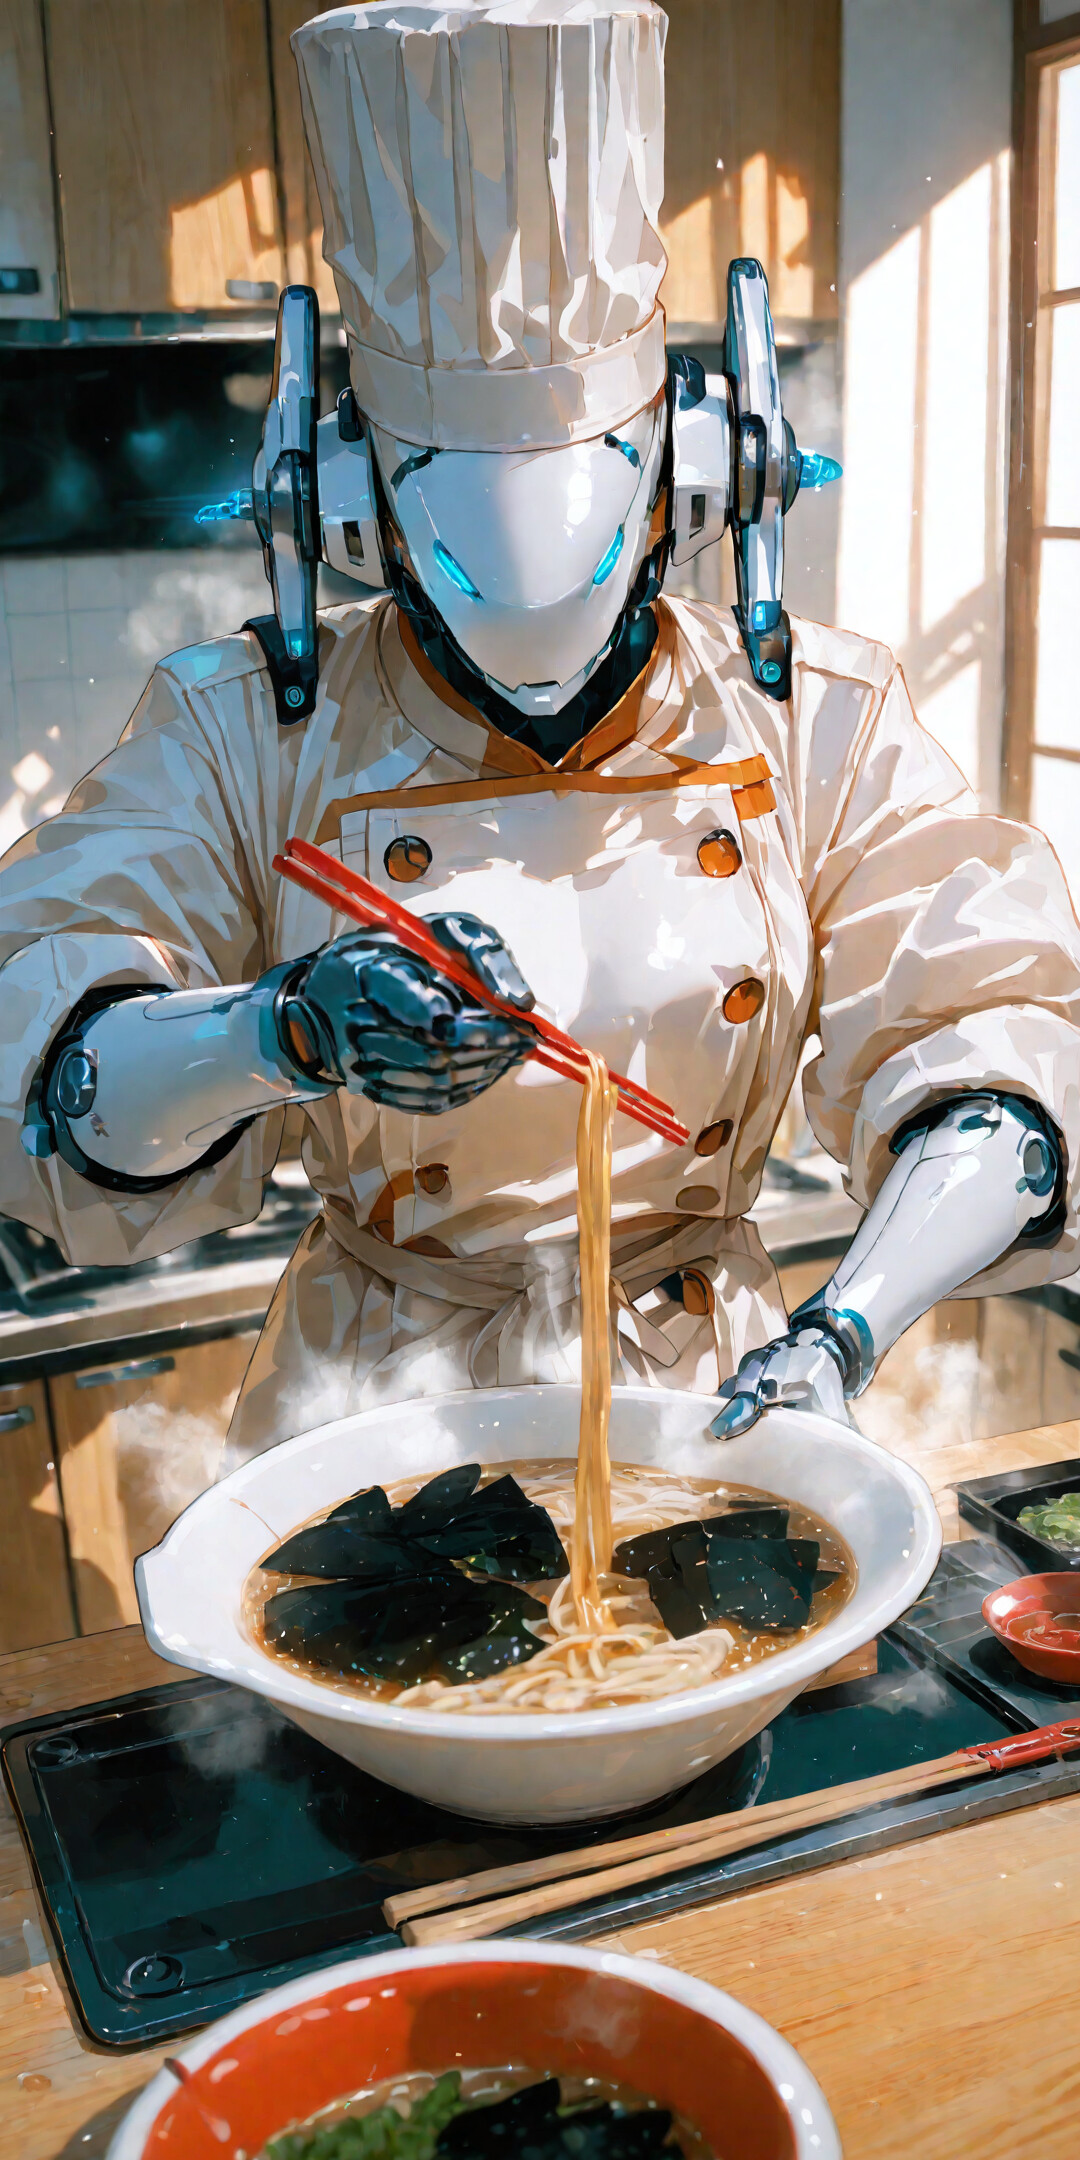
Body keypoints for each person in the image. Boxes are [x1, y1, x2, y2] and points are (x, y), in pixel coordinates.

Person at [1, 0, 1079, 1469]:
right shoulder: (241, 730)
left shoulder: (815, 718)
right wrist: (280, 1029)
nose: (540, 708)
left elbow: (993, 1040)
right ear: (347, 507)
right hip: (369, 1416)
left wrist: (844, 1330)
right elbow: (56, 1054)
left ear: (695, 484)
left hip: (715, 1397)